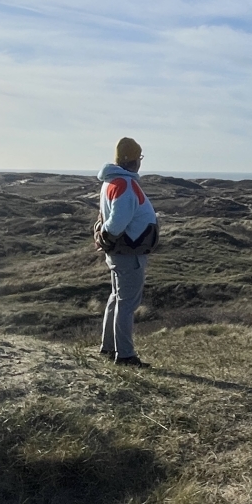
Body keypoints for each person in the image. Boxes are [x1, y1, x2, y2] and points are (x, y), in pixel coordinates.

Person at [94, 137, 158, 368]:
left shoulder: (111, 181)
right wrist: (108, 235)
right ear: (133, 160)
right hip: (129, 252)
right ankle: (125, 355)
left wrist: (106, 238)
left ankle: (109, 347)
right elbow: (117, 222)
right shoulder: (126, 184)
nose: (140, 163)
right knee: (126, 303)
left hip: (121, 251)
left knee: (116, 298)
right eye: (139, 158)